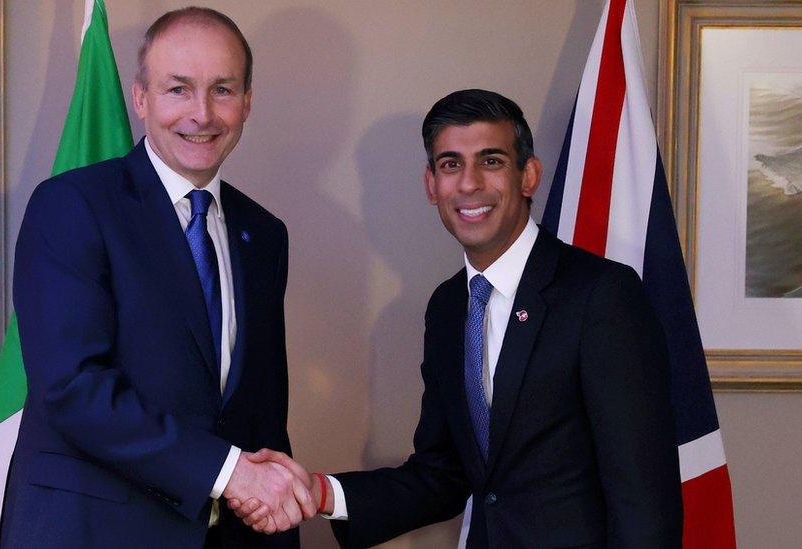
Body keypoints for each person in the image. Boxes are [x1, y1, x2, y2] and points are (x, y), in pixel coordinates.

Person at [234, 89, 683, 547]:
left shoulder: (602, 295)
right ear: (432, 185)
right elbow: (443, 474)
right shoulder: (448, 307)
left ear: (528, 175)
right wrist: (323, 492)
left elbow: (644, 501)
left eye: (491, 161)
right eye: (451, 164)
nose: (468, 184)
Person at [2, 8, 314, 548]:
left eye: (223, 89)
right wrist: (230, 472)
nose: (202, 113)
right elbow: (74, 387)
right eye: (178, 89)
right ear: (141, 99)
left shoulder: (264, 235)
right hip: (92, 534)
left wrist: (274, 518)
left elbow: (259, 416)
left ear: (247, 102)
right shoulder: (72, 205)